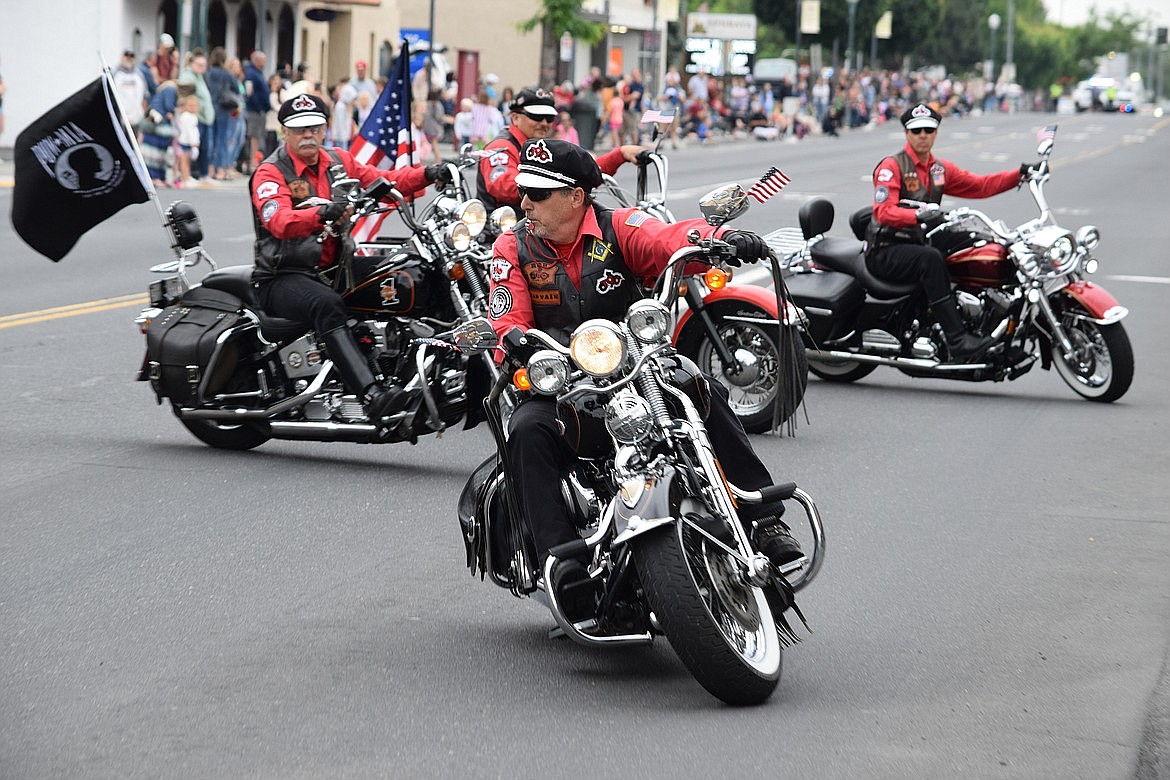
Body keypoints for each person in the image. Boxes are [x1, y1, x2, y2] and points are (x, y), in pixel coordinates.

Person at [486, 138, 802, 619]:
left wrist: (713, 240)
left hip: (636, 369)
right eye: (524, 191)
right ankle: (562, 560)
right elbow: (506, 314)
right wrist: (514, 342)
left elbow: (668, 237)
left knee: (700, 389)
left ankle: (762, 517)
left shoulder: (619, 226)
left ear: (576, 196)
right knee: (527, 430)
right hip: (564, 383)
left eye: (538, 193)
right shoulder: (513, 245)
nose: (524, 201)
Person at [250, 94, 453, 421]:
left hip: (334, 269)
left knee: (407, 271)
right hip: (282, 275)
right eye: (299, 129)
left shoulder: (340, 161)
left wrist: (429, 174)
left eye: (314, 128)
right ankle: (372, 396)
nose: (308, 136)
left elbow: (387, 182)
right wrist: (322, 214)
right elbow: (279, 220)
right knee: (326, 304)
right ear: (284, 132)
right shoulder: (271, 172)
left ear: (325, 130)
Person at [867, 103, 1031, 361]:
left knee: (973, 241)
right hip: (886, 248)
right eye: (917, 130)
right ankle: (957, 340)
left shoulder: (938, 170)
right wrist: (917, 215)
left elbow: (980, 186)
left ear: (936, 133)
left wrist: (1019, 175)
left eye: (929, 130)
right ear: (907, 134)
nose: (923, 135)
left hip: (917, 241)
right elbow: (883, 212)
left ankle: (982, 319)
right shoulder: (892, 166)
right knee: (930, 259)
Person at [475, 87, 643, 213]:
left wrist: (620, 154)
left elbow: (580, 171)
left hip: (536, 228)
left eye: (549, 118)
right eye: (536, 116)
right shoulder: (501, 148)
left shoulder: (539, 147)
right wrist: (557, 183)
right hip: (501, 234)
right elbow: (506, 188)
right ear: (515, 118)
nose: (544, 123)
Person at [242, 50, 270, 173]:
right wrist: (258, 107)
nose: (264, 63)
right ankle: (252, 162)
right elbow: (250, 92)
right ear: (257, 61)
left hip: (259, 110)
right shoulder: (251, 73)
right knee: (253, 136)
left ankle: (254, 160)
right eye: (263, 60)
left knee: (257, 136)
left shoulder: (258, 73)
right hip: (254, 110)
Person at [172, 94, 200, 187]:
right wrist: (193, 144)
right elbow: (188, 131)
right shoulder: (186, 116)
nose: (192, 108)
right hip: (184, 141)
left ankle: (187, 177)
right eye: (189, 105)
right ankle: (184, 179)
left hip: (190, 142)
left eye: (194, 106)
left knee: (188, 161)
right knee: (184, 161)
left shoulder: (193, 116)